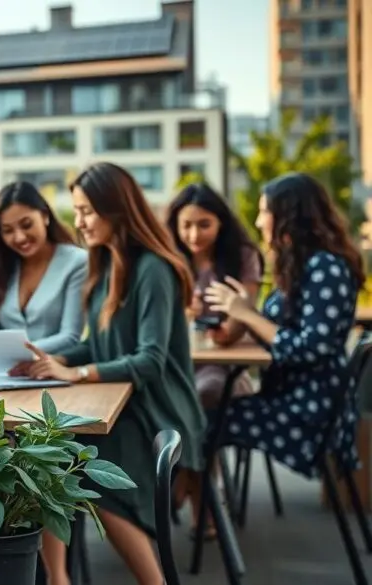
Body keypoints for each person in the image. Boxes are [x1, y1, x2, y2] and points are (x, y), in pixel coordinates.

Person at [14, 162, 206, 585]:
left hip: (158, 411)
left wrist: (77, 373)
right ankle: (58, 578)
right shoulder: (105, 266)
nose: (79, 222)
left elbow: (150, 360)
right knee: (48, 452)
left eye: (86, 211)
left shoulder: (154, 269)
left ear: (116, 209)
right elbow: (100, 345)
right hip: (124, 405)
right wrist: (47, 360)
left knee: (91, 470)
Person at [205, 172, 364, 481]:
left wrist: (248, 315)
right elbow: (282, 334)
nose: (258, 221)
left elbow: (308, 347)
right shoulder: (305, 264)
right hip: (294, 399)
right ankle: (190, 504)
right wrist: (240, 316)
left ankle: (180, 504)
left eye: (265, 211)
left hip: (308, 411)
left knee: (201, 424)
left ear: (289, 217)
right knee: (198, 421)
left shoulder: (325, 268)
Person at [165, 182, 265, 537]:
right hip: (178, 365)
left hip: (225, 369)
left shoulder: (242, 257)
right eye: (186, 225)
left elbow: (236, 330)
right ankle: (198, 493)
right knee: (173, 396)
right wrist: (182, 312)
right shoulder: (168, 258)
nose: (194, 235)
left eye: (204, 224)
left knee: (202, 395)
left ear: (221, 222)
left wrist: (227, 320)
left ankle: (193, 494)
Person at [0, 181, 87, 354]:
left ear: (45, 216)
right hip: (3, 368)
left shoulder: (77, 262)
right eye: (8, 230)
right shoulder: (3, 266)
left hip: (54, 366)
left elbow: (71, 336)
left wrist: (16, 353)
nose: (20, 237)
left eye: (26, 225)